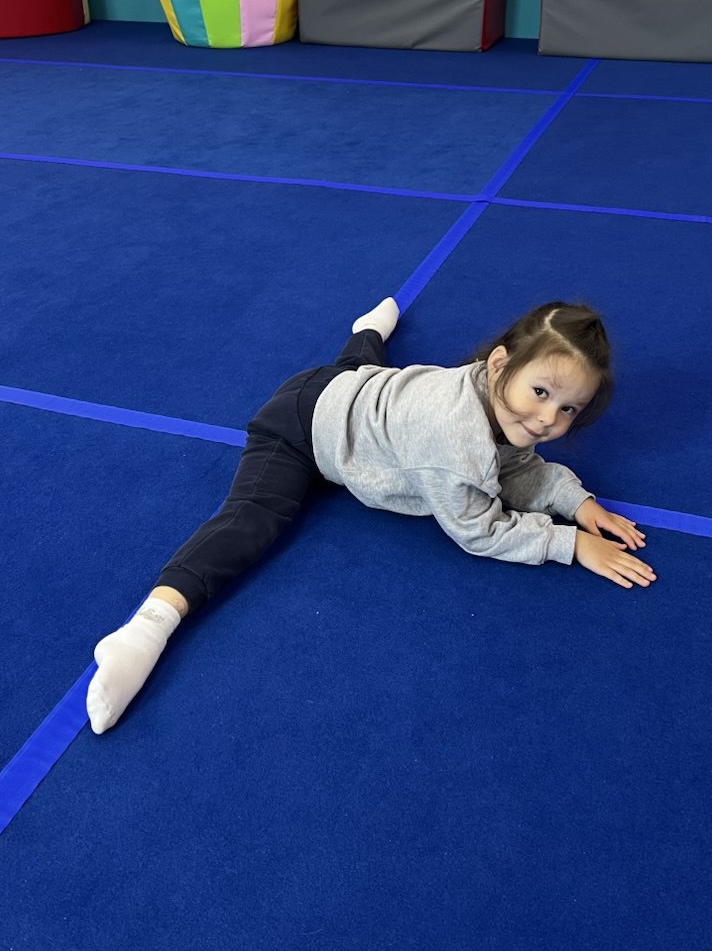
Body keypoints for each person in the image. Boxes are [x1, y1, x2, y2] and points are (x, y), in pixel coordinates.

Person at [87, 297, 656, 734]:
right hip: (300, 429)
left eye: (569, 408)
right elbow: (480, 528)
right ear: (500, 364)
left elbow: (514, 466)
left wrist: (574, 500)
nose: (549, 420)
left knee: (359, 370)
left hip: (353, 392)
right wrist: (567, 542)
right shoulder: (452, 439)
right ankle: (147, 628)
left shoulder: (494, 392)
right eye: (541, 393)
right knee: (250, 519)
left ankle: (367, 333)